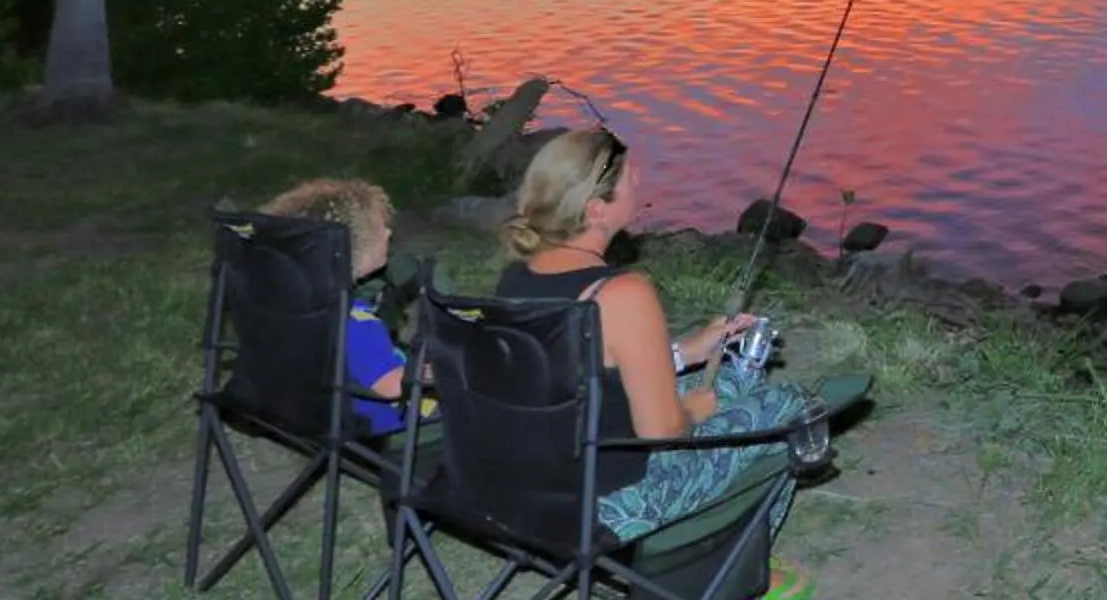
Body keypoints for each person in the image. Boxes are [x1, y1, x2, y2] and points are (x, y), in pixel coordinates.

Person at [496, 127, 847, 547]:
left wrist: (684, 352)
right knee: (787, 402)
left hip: (531, 487)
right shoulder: (623, 293)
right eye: (629, 180)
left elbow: (579, 369)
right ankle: (743, 562)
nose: (638, 183)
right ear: (595, 211)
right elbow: (662, 430)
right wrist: (694, 410)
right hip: (611, 508)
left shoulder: (515, 280)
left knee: (733, 380)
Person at [261, 176, 418, 433]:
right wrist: (441, 368)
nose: (389, 232)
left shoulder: (290, 305)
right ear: (351, 248)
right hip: (382, 422)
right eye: (380, 228)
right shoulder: (355, 323)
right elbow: (393, 388)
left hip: (313, 411)